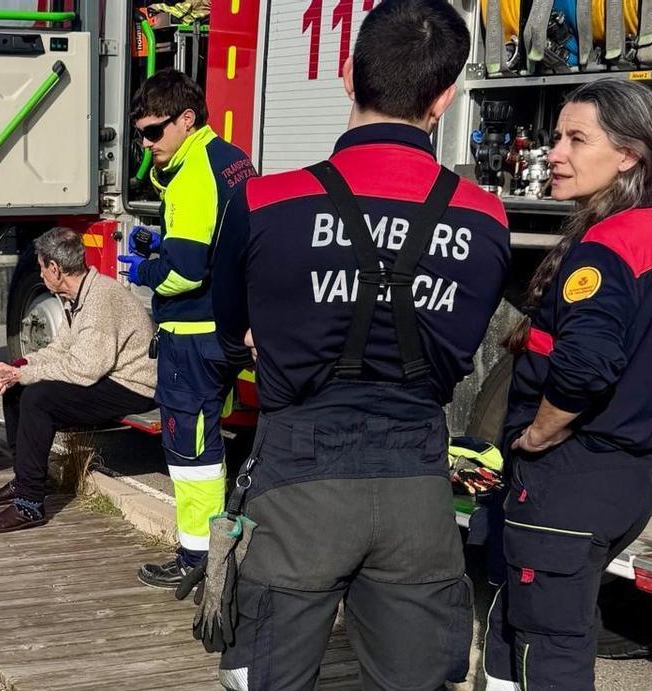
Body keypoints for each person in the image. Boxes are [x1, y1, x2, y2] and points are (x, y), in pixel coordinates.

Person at [206, 1, 511, 688]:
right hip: (417, 486)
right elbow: (464, 332)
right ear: (445, 96)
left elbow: (230, 333)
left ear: (347, 75)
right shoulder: (487, 218)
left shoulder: (262, 202)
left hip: (295, 480)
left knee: (263, 676)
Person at [482, 81, 652, 691]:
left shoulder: (605, 250)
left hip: (570, 480)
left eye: (578, 139)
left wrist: (539, 436)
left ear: (629, 155)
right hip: (624, 477)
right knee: (515, 622)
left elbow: (585, 367)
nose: (554, 153)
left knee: (549, 650)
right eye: (556, 137)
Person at [117, 68, 255, 589]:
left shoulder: (194, 171)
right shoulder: (231, 159)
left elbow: (185, 272)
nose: (147, 143)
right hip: (229, 328)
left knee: (191, 449)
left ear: (187, 118)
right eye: (141, 134)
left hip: (194, 333)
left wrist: (143, 270)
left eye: (154, 131)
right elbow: (219, 238)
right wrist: (166, 242)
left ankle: (197, 557)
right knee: (212, 440)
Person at [0, 228, 156, 533]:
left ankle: (29, 504)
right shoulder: (81, 293)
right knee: (18, 390)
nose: (41, 273)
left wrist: (22, 373)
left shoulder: (100, 299)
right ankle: (27, 479)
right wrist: (16, 368)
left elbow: (83, 369)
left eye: (41, 266)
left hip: (133, 385)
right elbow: (61, 348)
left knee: (39, 398)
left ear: (55, 269)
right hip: (110, 375)